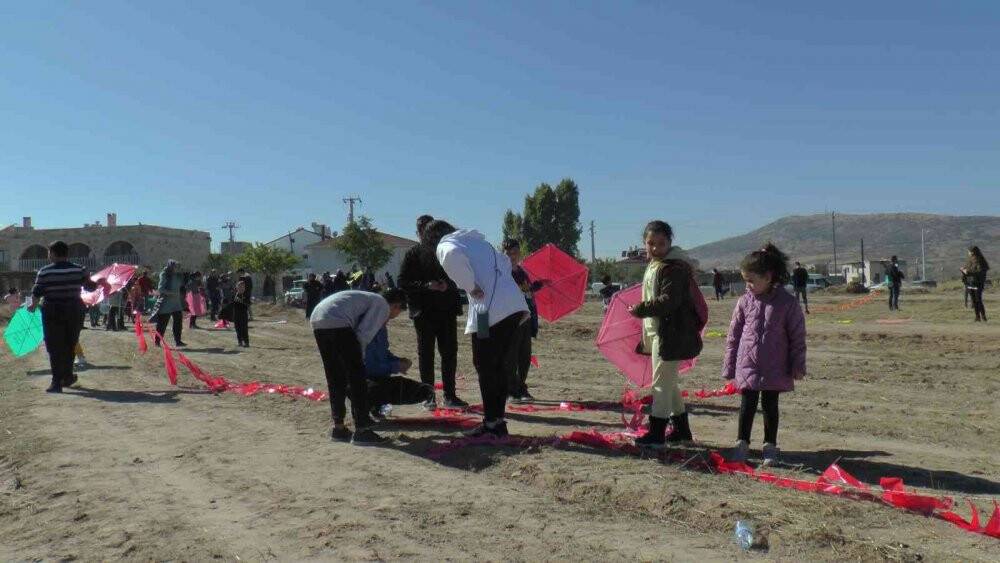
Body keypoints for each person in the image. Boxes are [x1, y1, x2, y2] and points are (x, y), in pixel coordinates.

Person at [429, 220, 529, 438]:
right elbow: (503, 262)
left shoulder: (447, 243)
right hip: (508, 308)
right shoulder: (479, 243)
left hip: (491, 311)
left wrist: (470, 285)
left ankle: (492, 423)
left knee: (485, 365)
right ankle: (496, 421)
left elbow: (451, 257)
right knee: (495, 365)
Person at [724, 244, 807, 466]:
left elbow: (797, 337)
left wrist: (798, 365)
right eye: (745, 280)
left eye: (751, 280)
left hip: (775, 366)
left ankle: (770, 446)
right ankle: (742, 443)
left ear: (768, 277)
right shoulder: (744, 302)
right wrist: (729, 366)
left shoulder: (787, 303)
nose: (747, 286)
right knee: (747, 405)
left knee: (771, 406)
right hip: (748, 365)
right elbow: (733, 336)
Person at [628, 221, 705, 448]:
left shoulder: (673, 268)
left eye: (660, 243)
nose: (655, 248)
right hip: (659, 332)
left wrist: (640, 310)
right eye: (651, 243)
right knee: (668, 383)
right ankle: (682, 431)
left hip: (672, 334)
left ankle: (657, 433)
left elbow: (668, 302)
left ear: (669, 243)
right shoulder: (656, 265)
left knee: (661, 384)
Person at [310, 288, 409, 446]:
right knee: (356, 378)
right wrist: (358, 360)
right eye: (398, 312)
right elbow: (364, 334)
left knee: (335, 376)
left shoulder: (368, 299)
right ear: (396, 306)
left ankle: (339, 428)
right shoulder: (382, 305)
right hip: (338, 320)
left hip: (318, 318)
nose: (393, 317)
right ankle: (362, 430)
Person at [398, 214, 468, 409]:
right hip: (423, 313)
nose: (425, 233)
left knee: (449, 354)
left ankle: (450, 395)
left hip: (446, 311)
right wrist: (427, 286)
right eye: (421, 230)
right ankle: (428, 396)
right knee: (426, 355)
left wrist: (448, 285)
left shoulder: (447, 252)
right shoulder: (413, 253)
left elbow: (460, 277)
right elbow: (403, 282)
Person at [26, 240, 107, 393]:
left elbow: (37, 292)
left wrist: (33, 306)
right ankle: (68, 376)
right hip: (74, 310)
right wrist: (98, 282)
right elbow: (89, 288)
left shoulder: (44, 271)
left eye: (49, 253)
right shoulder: (80, 269)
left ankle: (56, 382)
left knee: (54, 346)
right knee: (70, 343)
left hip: (52, 311)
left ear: (53, 254)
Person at [363, 317, 434, 420]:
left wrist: (400, 361)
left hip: (375, 379)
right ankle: (364, 412)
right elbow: (370, 367)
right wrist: (396, 366)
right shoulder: (364, 331)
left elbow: (383, 354)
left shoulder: (381, 328)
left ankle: (376, 407)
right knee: (381, 387)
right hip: (362, 382)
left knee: (423, 391)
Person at [502, 238, 545, 403]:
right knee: (510, 357)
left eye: (515, 252)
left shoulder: (521, 272)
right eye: (509, 253)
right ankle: (510, 391)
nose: (513, 256)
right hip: (511, 319)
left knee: (524, 357)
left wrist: (538, 285)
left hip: (527, 319)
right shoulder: (503, 273)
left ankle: (521, 387)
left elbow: (526, 290)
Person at [151, 259, 187, 347]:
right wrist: (171, 293)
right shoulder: (164, 274)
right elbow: (160, 289)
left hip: (176, 303)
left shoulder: (178, 276)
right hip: (166, 303)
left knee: (178, 322)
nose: (177, 268)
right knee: (162, 324)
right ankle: (157, 341)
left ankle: (178, 341)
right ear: (171, 267)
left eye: (178, 267)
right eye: (176, 266)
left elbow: (181, 286)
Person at [961, 246, 990, 322]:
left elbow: (980, 272)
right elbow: (967, 268)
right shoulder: (969, 260)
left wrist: (969, 272)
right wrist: (963, 270)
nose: (968, 253)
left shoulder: (980, 260)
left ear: (973, 252)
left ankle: (983, 316)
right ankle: (977, 317)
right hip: (970, 282)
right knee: (974, 301)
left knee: (978, 300)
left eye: (969, 252)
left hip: (978, 283)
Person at [232, 278, 251, 347]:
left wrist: (240, 300)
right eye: (239, 287)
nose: (241, 288)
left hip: (243, 314)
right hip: (236, 314)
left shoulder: (246, 295)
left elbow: (248, 304)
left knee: (244, 328)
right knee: (237, 328)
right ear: (237, 287)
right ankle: (240, 341)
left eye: (242, 287)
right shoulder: (235, 294)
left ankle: (246, 342)